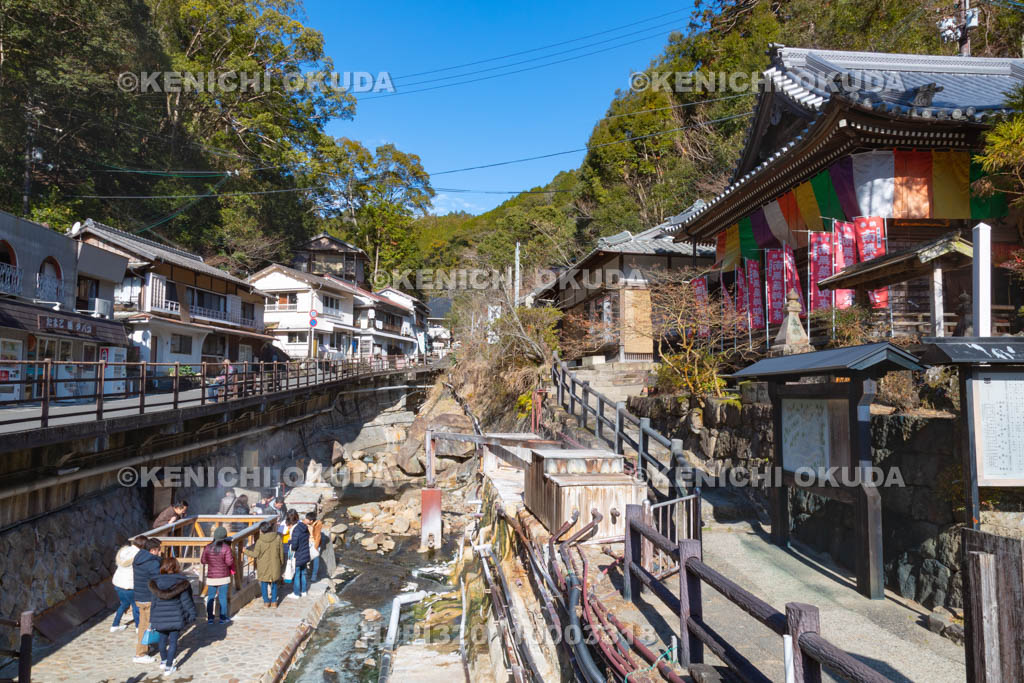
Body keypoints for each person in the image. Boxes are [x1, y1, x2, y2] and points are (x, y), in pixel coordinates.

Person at [148, 556, 196, 677]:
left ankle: (164, 661)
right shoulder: (181, 583)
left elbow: (153, 603)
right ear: (176, 567)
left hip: (159, 616)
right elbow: (186, 602)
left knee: (162, 640)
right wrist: (192, 614)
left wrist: (152, 619)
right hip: (176, 617)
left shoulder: (155, 583)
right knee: (173, 641)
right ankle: (169, 667)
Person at [132, 537, 162, 663]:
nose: (160, 552)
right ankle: (140, 653)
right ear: (153, 550)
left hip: (139, 596)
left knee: (143, 624)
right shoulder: (152, 563)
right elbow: (158, 580)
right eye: (159, 550)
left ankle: (144, 647)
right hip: (148, 597)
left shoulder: (138, 558)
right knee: (146, 626)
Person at [243, 521, 284, 608]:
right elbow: (281, 553)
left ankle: (266, 602)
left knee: (264, 583)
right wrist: (281, 563)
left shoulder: (260, 541)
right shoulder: (277, 538)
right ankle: (274, 602)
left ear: (261, 531)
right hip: (275, 564)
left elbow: (255, 554)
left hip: (263, 565)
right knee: (274, 583)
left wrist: (245, 551)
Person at [200, 526, 234, 624]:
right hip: (223, 577)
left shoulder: (208, 547)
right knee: (222, 597)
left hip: (212, 577)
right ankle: (223, 618)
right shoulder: (226, 548)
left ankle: (210, 618)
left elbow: (203, 561)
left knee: (211, 597)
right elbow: (229, 562)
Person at [111, 537, 142, 632]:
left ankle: (115, 625)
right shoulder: (139, 555)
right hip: (129, 585)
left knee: (124, 604)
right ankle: (138, 627)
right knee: (136, 606)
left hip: (118, 583)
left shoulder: (123, 551)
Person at [287, 510, 310, 599]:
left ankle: (296, 593)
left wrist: (290, 542)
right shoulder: (303, 526)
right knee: (303, 572)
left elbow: (294, 545)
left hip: (298, 554)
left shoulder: (295, 530)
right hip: (305, 552)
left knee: (296, 573)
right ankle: (304, 591)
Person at [305, 511, 323, 583]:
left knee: (316, 559)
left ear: (311, 521)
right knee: (305, 558)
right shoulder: (306, 524)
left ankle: (314, 576)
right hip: (307, 542)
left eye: (307, 519)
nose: (305, 520)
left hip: (314, 543)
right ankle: (305, 573)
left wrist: (316, 547)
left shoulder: (318, 524)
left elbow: (318, 537)